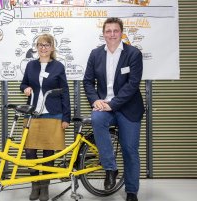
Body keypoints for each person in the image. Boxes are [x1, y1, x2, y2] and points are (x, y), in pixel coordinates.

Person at [83, 17, 144, 201]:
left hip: (128, 107)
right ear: (103, 34)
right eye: (108, 31)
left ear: (121, 32)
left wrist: (112, 103)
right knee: (97, 120)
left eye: (115, 31)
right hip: (104, 107)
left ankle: (131, 191)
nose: (112, 34)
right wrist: (95, 101)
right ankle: (110, 168)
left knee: (129, 149)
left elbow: (132, 84)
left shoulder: (133, 54)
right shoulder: (95, 54)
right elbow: (87, 81)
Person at [20, 34, 71, 201]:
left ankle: (45, 186)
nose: (43, 48)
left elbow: (65, 92)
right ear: (37, 47)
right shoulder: (31, 66)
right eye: (40, 45)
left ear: (52, 48)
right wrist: (25, 88)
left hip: (53, 113)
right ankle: (35, 184)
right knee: (30, 150)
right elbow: (23, 83)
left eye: (47, 45)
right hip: (33, 113)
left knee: (48, 151)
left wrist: (66, 118)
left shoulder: (58, 67)